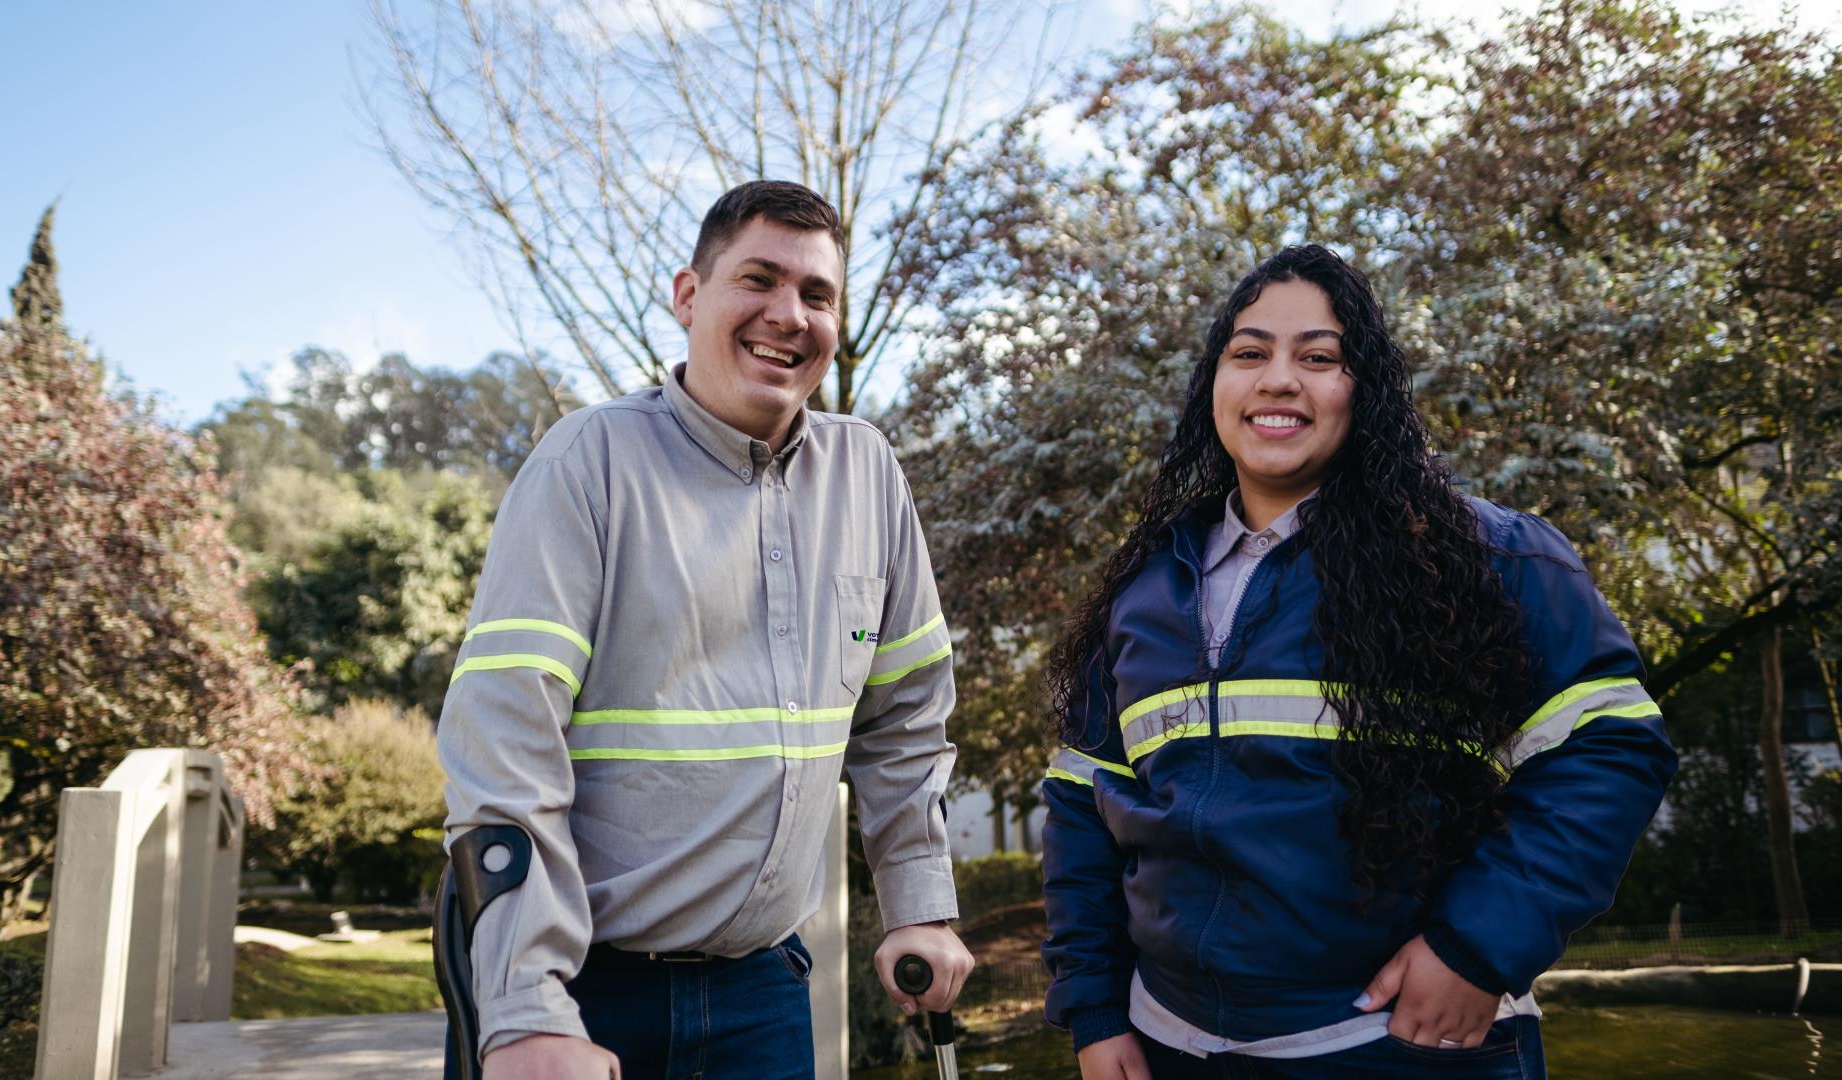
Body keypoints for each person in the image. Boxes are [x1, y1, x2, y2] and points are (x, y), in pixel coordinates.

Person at [1039, 245, 1677, 1079]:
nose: (1278, 380)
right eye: (1250, 353)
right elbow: (1083, 807)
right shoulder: (1144, 591)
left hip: (1402, 1049)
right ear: (1214, 388)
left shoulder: (1490, 560)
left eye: (1319, 357)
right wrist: (1095, 1012)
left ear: (1362, 389)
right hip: (1170, 1048)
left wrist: (1476, 949)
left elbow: (1610, 749)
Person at [439, 180, 972, 1080]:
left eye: (816, 294)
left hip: (762, 994)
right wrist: (528, 1005)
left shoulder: (870, 475)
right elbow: (505, 738)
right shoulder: (586, 463)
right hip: (580, 993)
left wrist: (919, 904)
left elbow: (906, 720)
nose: (788, 315)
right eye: (758, 280)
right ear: (690, 296)